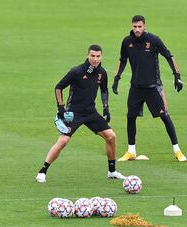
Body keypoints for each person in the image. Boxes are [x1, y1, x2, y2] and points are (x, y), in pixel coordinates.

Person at [36, 44, 126, 183]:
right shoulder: (76, 71)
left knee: (111, 136)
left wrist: (106, 107)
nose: (95, 59)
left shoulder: (102, 73)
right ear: (87, 55)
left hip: (91, 112)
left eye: (98, 56)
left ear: (101, 56)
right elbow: (58, 87)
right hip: (74, 112)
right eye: (92, 56)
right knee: (63, 140)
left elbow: (104, 91)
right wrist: (61, 108)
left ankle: (112, 171)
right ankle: (43, 171)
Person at [112, 15, 187, 162]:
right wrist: (116, 78)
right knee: (130, 117)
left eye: (140, 27)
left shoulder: (153, 40)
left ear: (144, 26)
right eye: (135, 27)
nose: (137, 29)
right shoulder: (127, 42)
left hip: (153, 88)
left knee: (164, 117)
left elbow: (168, 56)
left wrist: (177, 75)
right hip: (136, 88)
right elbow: (122, 60)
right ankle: (131, 151)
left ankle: (177, 150)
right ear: (132, 26)